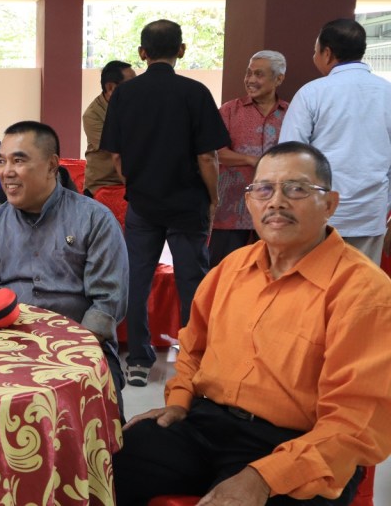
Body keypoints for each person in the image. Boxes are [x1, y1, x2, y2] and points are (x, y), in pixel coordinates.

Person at [114, 142, 391, 506]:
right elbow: (192, 348)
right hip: (208, 422)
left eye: (296, 189)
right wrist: (179, 400)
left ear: (330, 204)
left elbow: (355, 424)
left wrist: (263, 476)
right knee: (110, 463)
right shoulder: (231, 268)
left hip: (300, 444)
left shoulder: (365, 293)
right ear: (249, 203)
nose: (276, 201)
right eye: (263, 189)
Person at [0, 121, 128, 416]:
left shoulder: (95, 220)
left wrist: (60, 360)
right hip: (5, 351)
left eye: (19, 160)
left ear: (52, 165)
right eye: (2, 161)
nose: (6, 171)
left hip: (82, 351)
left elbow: (106, 306)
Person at [100, 19, 230, 387]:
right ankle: (192, 360)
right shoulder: (195, 93)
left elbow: (117, 158)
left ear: (142, 53)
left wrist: (138, 185)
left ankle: (139, 361)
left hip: (142, 204)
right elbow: (208, 157)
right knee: (192, 283)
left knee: (137, 280)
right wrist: (214, 197)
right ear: (182, 50)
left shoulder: (125, 94)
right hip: (187, 204)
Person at [279, 18, 391, 265]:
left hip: (319, 214)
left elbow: (288, 158)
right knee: (361, 291)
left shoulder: (312, 93)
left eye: (315, 50)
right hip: (370, 214)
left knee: (315, 288)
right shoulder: (387, 92)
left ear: (327, 53)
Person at [211, 50, 289, 266]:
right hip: (231, 211)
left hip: (276, 211)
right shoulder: (229, 111)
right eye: (248, 73)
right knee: (224, 272)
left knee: (274, 273)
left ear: (278, 79)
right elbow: (214, 153)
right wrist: (251, 160)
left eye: (259, 74)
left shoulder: (291, 113)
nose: (251, 80)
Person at [82, 61, 135, 197]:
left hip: (134, 181)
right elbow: (118, 148)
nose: (137, 87)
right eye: (132, 84)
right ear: (110, 88)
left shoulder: (136, 106)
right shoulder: (93, 115)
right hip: (103, 185)